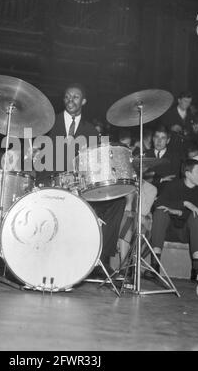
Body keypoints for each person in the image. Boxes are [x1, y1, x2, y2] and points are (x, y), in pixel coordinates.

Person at [36, 83, 126, 278]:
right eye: (67, 97)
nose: (70, 100)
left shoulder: (91, 131)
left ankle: (101, 260)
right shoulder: (49, 123)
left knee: (118, 201)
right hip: (52, 183)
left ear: (83, 101)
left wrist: (79, 185)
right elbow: (37, 159)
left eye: (75, 97)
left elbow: (92, 167)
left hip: (79, 188)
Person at [144, 159, 198, 282]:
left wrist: (179, 211)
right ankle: (155, 266)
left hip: (190, 233)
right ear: (188, 174)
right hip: (168, 231)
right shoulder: (173, 185)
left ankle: (197, 269)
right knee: (161, 212)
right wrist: (185, 203)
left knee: (197, 216)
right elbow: (159, 203)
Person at [144, 125, 184, 194]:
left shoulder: (175, 157)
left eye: (163, 138)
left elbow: (174, 179)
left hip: (167, 195)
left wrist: (153, 179)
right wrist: (161, 179)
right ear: (153, 139)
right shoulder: (145, 155)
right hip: (146, 194)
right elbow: (142, 180)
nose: (159, 141)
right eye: (157, 137)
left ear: (168, 140)